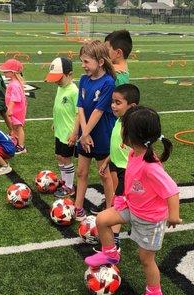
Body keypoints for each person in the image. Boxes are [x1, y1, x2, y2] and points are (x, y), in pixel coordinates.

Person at [85, 106, 182, 295]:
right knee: (102, 219)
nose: (119, 129)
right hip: (131, 206)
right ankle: (110, 253)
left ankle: (155, 294)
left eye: (122, 126)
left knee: (145, 259)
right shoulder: (133, 153)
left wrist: (173, 215)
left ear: (131, 135)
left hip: (150, 219)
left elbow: (172, 191)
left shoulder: (151, 166)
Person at [74, 40, 116, 221]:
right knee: (81, 173)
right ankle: (77, 207)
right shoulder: (83, 80)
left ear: (100, 62)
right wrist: (83, 133)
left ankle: (110, 210)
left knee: (104, 176)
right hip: (86, 135)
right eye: (82, 61)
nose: (83, 66)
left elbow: (99, 111)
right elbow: (81, 107)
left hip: (102, 136)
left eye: (86, 62)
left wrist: (85, 134)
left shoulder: (108, 82)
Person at [99, 84, 140, 250]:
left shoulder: (132, 127)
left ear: (132, 106)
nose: (113, 106)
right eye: (112, 102)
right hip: (116, 165)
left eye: (118, 102)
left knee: (120, 203)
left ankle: (114, 238)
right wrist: (107, 160)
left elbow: (140, 150)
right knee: (122, 200)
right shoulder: (118, 120)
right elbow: (116, 145)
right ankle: (128, 225)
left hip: (128, 170)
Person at [44, 57, 79, 198]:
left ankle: (69, 187)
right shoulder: (61, 88)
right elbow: (58, 108)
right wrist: (55, 121)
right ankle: (64, 181)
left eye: (59, 78)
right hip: (60, 130)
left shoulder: (74, 91)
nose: (56, 81)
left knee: (66, 158)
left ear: (69, 74)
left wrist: (74, 133)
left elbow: (78, 114)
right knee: (59, 156)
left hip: (68, 132)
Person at [0, 59, 27, 155]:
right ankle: (16, 142)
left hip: (16, 110)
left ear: (13, 72)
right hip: (16, 109)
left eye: (6, 71)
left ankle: (21, 147)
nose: (4, 73)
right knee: (15, 127)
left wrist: (9, 109)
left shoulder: (14, 84)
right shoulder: (14, 83)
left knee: (18, 127)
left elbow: (14, 99)